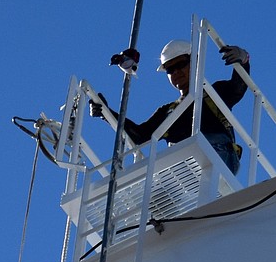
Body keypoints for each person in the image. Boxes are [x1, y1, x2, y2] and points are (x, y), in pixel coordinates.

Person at [90, 37, 251, 174]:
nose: (175, 72)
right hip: (181, 164)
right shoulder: (168, 111)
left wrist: (243, 60)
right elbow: (140, 135)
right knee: (155, 194)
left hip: (219, 154)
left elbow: (237, 88)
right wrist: (106, 113)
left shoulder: (213, 93)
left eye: (180, 65)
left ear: (195, 61)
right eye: (169, 70)